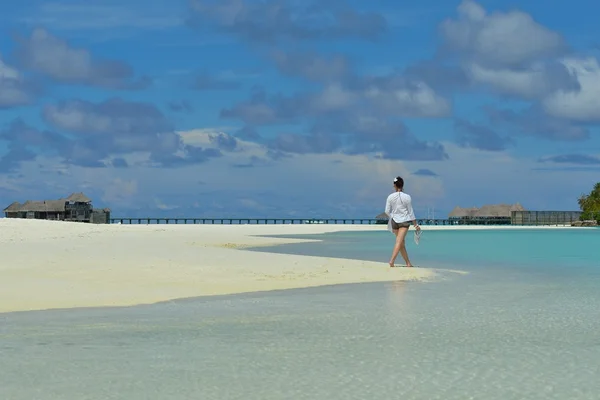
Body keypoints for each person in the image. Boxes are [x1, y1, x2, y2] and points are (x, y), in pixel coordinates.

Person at [385, 176, 420, 267]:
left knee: (401, 242)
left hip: (394, 221)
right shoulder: (407, 197)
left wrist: (393, 216)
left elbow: (387, 211)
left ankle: (408, 263)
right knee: (399, 242)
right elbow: (410, 212)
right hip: (404, 221)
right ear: (402, 185)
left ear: (394, 186)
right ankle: (392, 261)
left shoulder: (390, 197)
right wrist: (415, 225)